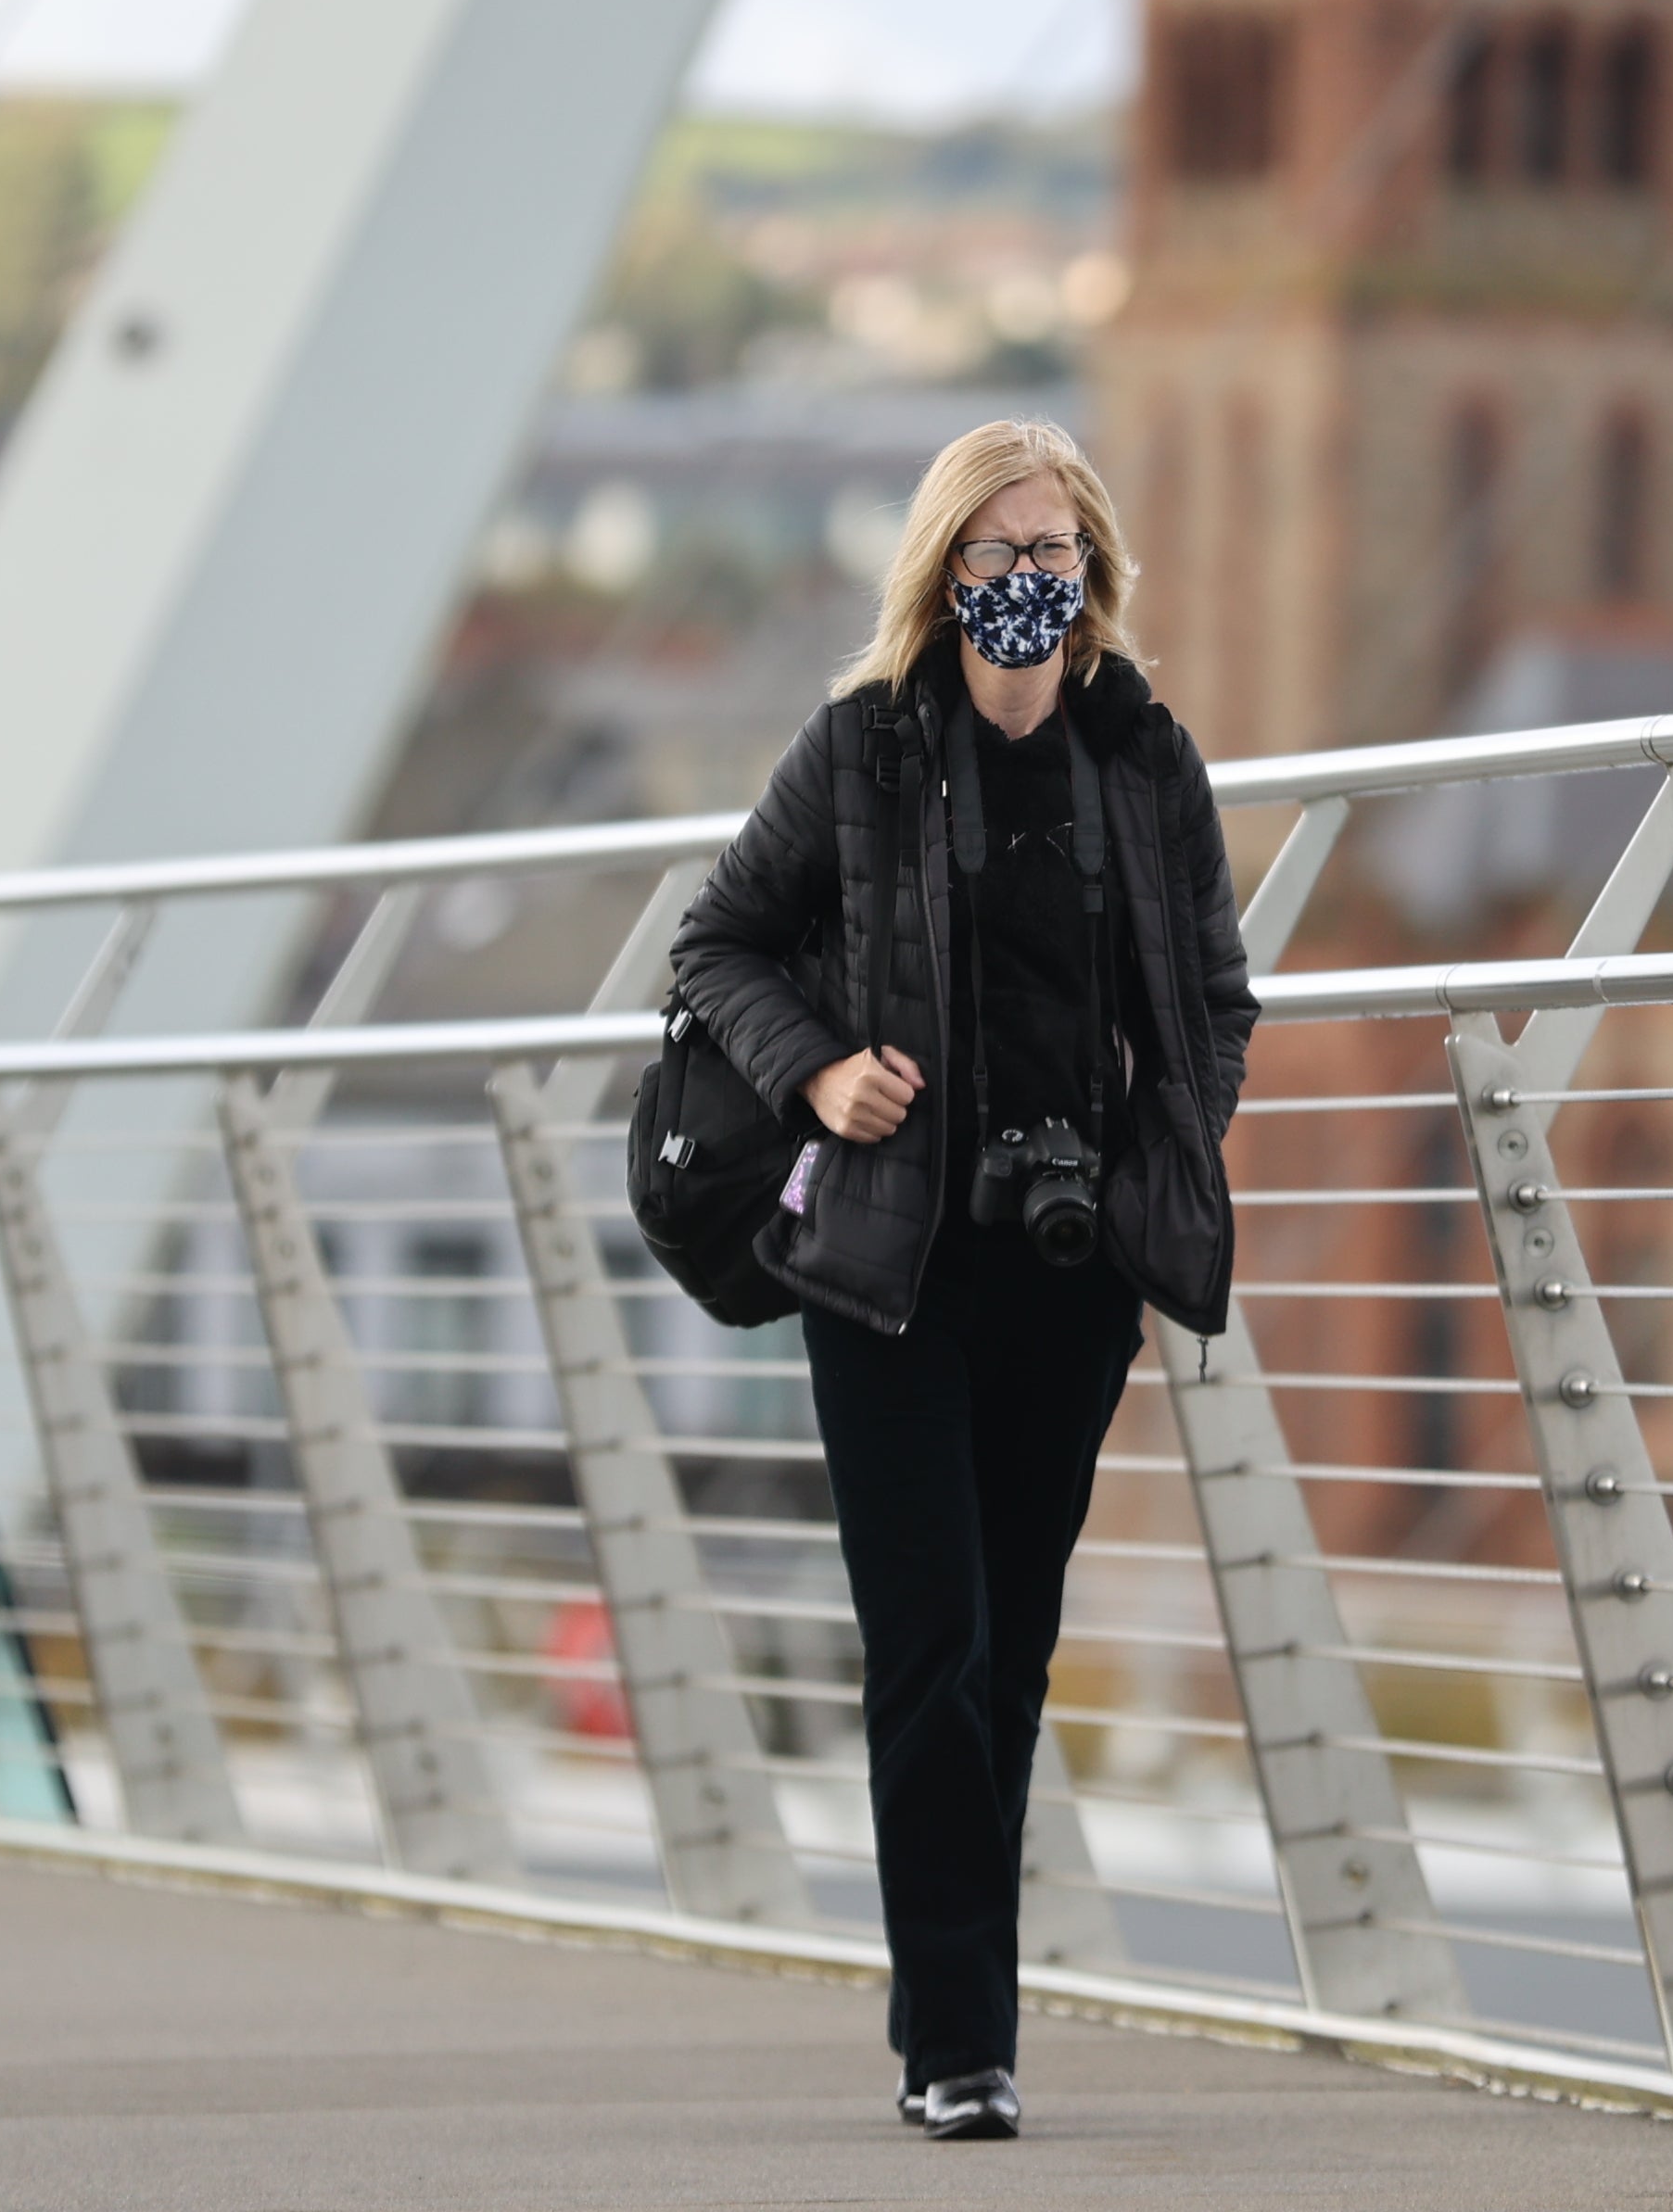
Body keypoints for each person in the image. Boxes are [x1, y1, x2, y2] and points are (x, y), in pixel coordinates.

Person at [669, 418, 1255, 2143]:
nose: (1026, 581)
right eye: (995, 554)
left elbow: (1214, 1000)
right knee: (930, 1643)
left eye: (1053, 552)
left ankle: (962, 2008)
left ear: (1095, 577)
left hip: (1069, 1278)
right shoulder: (861, 752)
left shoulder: (1142, 761)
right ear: (944, 573)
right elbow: (715, 943)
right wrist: (820, 1077)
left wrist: (1162, 1147)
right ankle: (958, 2047)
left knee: (1011, 1654)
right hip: (890, 1268)